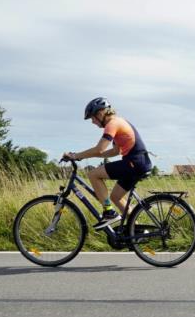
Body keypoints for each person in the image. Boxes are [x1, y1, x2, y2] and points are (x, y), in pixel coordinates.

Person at [63, 97, 152, 230]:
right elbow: (115, 151)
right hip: (138, 163)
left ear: (100, 114)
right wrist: (93, 155)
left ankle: (109, 213)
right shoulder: (119, 122)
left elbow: (100, 148)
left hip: (134, 162)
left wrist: (76, 156)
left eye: (92, 118)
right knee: (116, 197)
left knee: (93, 175)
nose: (93, 122)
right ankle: (136, 231)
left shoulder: (112, 124)